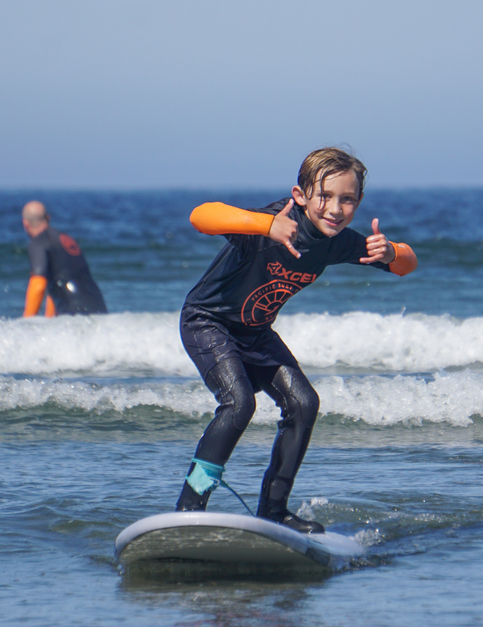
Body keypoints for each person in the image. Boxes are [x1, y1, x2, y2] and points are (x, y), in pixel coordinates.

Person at [175, 147, 417, 533]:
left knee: (304, 403)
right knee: (239, 405)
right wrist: (263, 226)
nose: (335, 209)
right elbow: (200, 216)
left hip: (254, 332)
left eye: (347, 199)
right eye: (324, 196)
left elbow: (406, 266)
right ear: (300, 195)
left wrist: (392, 251)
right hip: (208, 323)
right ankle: (189, 507)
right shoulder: (272, 225)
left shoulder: (336, 241)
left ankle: (273, 509)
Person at [22, 201, 107, 317]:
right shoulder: (66, 239)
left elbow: (38, 285)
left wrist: (25, 324)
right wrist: (49, 322)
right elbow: (55, 288)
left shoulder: (38, 243)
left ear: (25, 224)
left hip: (75, 313)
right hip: (99, 309)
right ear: (48, 218)